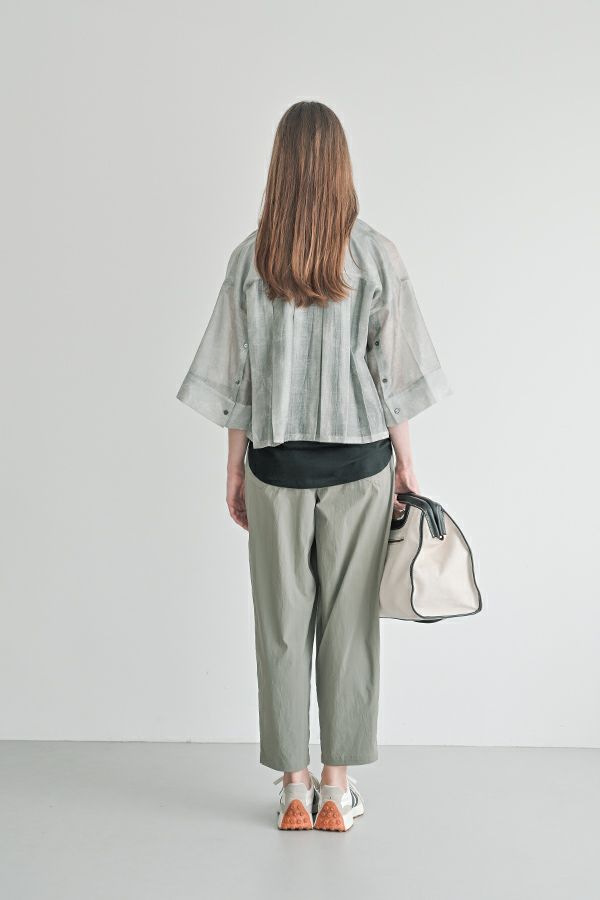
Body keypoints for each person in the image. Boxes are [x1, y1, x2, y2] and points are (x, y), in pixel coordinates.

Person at [177, 100, 451, 832]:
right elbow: (394, 378)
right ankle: (337, 788)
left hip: (275, 468)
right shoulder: (376, 255)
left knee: (280, 625)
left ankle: (293, 788)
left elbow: (236, 380)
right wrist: (407, 468)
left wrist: (233, 470)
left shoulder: (251, 258)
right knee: (349, 624)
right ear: (340, 165)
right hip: (361, 466)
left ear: (280, 165)